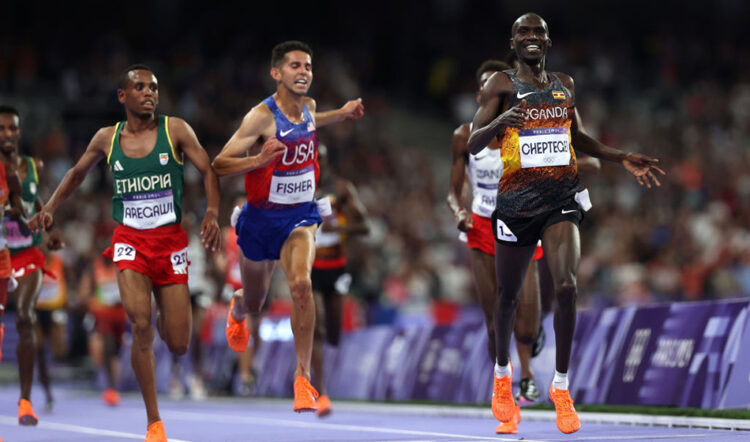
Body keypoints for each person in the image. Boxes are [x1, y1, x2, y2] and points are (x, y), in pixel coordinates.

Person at [467, 13, 664, 434]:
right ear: (514, 40)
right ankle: (502, 377)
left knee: (568, 286)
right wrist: (502, 122)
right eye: (524, 32)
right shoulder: (500, 85)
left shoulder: (564, 84)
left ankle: (561, 386)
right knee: (507, 297)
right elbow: (472, 141)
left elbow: (577, 136)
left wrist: (620, 157)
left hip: (561, 199)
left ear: (548, 40)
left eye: (538, 32)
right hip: (516, 204)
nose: (532, 37)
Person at [29, 65, 221, 441]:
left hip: (169, 245)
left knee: (179, 343)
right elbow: (77, 173)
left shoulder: (175, 129)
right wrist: (50, 206)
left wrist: (212, 210)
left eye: (153, 87)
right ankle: (154, 422)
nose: (149, 93)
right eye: (140, 87)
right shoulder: (107, 137)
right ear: (123, 96)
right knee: (139, 325)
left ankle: (167, 310)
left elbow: (210, 170)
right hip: (130, 242)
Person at [212, 40, 364, 413]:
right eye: (295, 66)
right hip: (261, 219)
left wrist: (342, 113)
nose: (303, 72)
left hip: (299, 215)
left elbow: (315, 119)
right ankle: (238, 308)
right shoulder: (260, 118)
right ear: (276, 73)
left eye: (308, 66)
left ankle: (302, 379)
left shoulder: (309, 108)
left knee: (300, 284)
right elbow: (219, 162)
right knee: (255, 300)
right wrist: (257, 159)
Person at [447, 60, 542, 434]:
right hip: (482, 228)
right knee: (494, 319)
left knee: (528, 317)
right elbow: (453, 191)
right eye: (488, 89)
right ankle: (507, 394)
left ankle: (528, 365)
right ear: (480, 96)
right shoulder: (464, 136)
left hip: (521, 222)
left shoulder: (523, 130)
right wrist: (458, 212)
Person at [0, 105, 62, 425]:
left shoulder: (31, 166)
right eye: (2, 129)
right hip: (1, 253)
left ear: (20, 131)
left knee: (25, 317)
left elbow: (36, 202)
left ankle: (25, 401)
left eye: (12, 128)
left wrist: (48, 231)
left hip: (27, 254)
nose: (7, 134)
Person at [310, 144, 370, 417]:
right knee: (318, 326)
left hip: (336, 267)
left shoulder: (342, 190)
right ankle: (321, 393)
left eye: (318, 160)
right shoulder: (299, 191)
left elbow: (365, 226)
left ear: (325, 162)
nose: (315, 165)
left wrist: (339, 227)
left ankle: (324, 378)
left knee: (333, 332)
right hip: (309, 268)